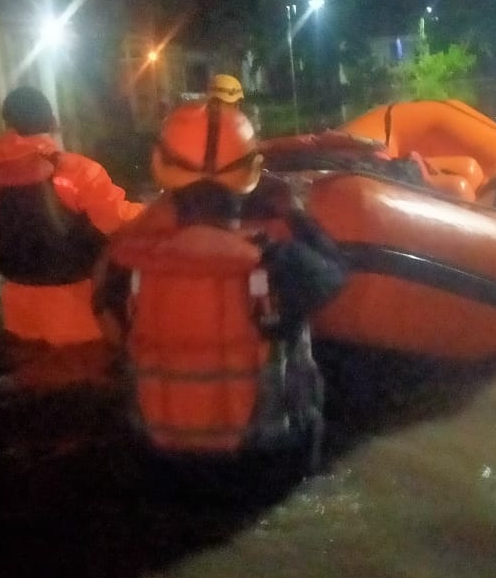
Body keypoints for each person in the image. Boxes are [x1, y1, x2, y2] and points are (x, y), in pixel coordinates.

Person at [97, 98, 346, 462]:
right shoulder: (283, 254)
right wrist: (291, 210)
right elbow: (334, 274)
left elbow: (109, 322)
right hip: (264, 467)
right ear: (253, 171)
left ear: (158, 165)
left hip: (159, 465)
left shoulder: (126, 258)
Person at [0, 85, 142, 345]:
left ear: (7, 123)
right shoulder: (79, 171)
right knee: (85, 373)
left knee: (32, 374)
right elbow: (116, 221)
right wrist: (154, 208)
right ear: (52, 122)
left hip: (18, 306)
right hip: (76, 305)